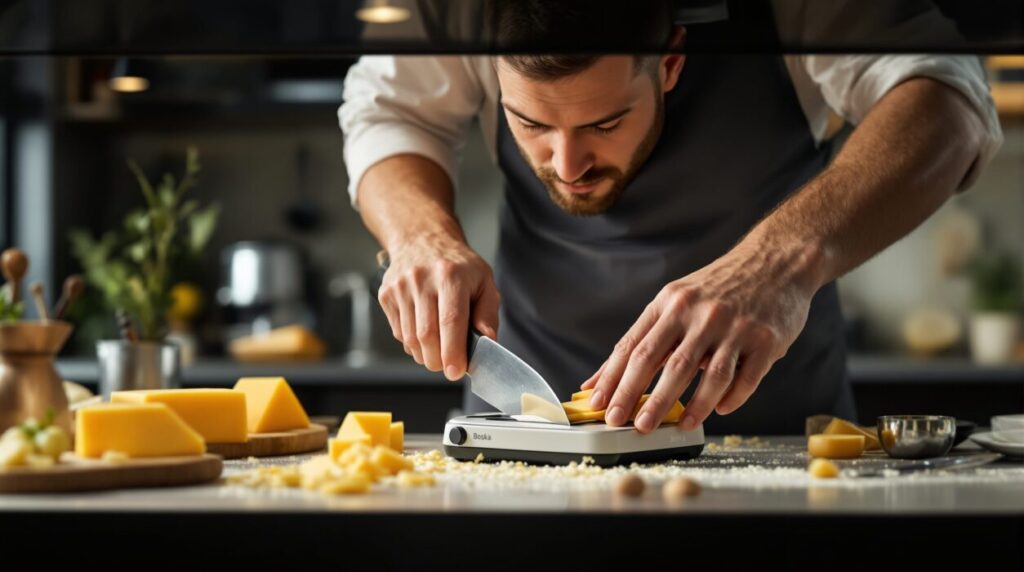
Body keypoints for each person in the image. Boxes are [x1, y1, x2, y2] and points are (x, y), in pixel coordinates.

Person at [339, 2, 1002, 434]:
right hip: (521, 446)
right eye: (532, 124)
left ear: (671, 64)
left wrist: (779, 265)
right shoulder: (460, 10)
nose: (567, 163)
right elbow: (391, 111)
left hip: (778, 449)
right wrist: (418, 235)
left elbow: (949, 96)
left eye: (606, 121)